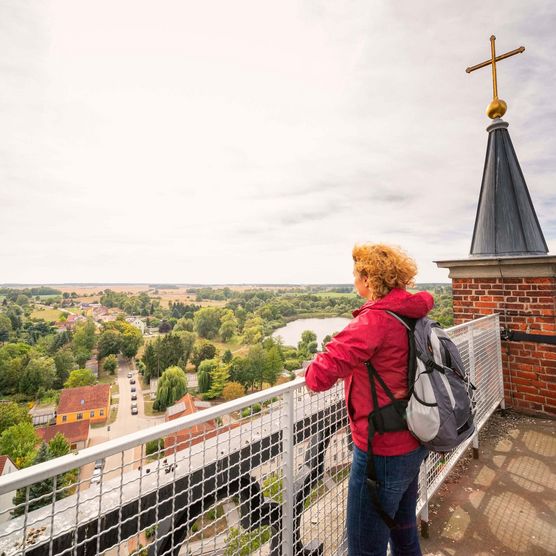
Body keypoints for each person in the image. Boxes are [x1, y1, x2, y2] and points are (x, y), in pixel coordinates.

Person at [305, 243, 434, 556]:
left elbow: (318, 377)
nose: (353, 282)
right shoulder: (412, 313)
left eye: (356, 275)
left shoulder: (374, 321)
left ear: (368, 278)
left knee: (364, 547)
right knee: (404, 534)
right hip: (415, 435)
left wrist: (311, 365)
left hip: (382, 450)